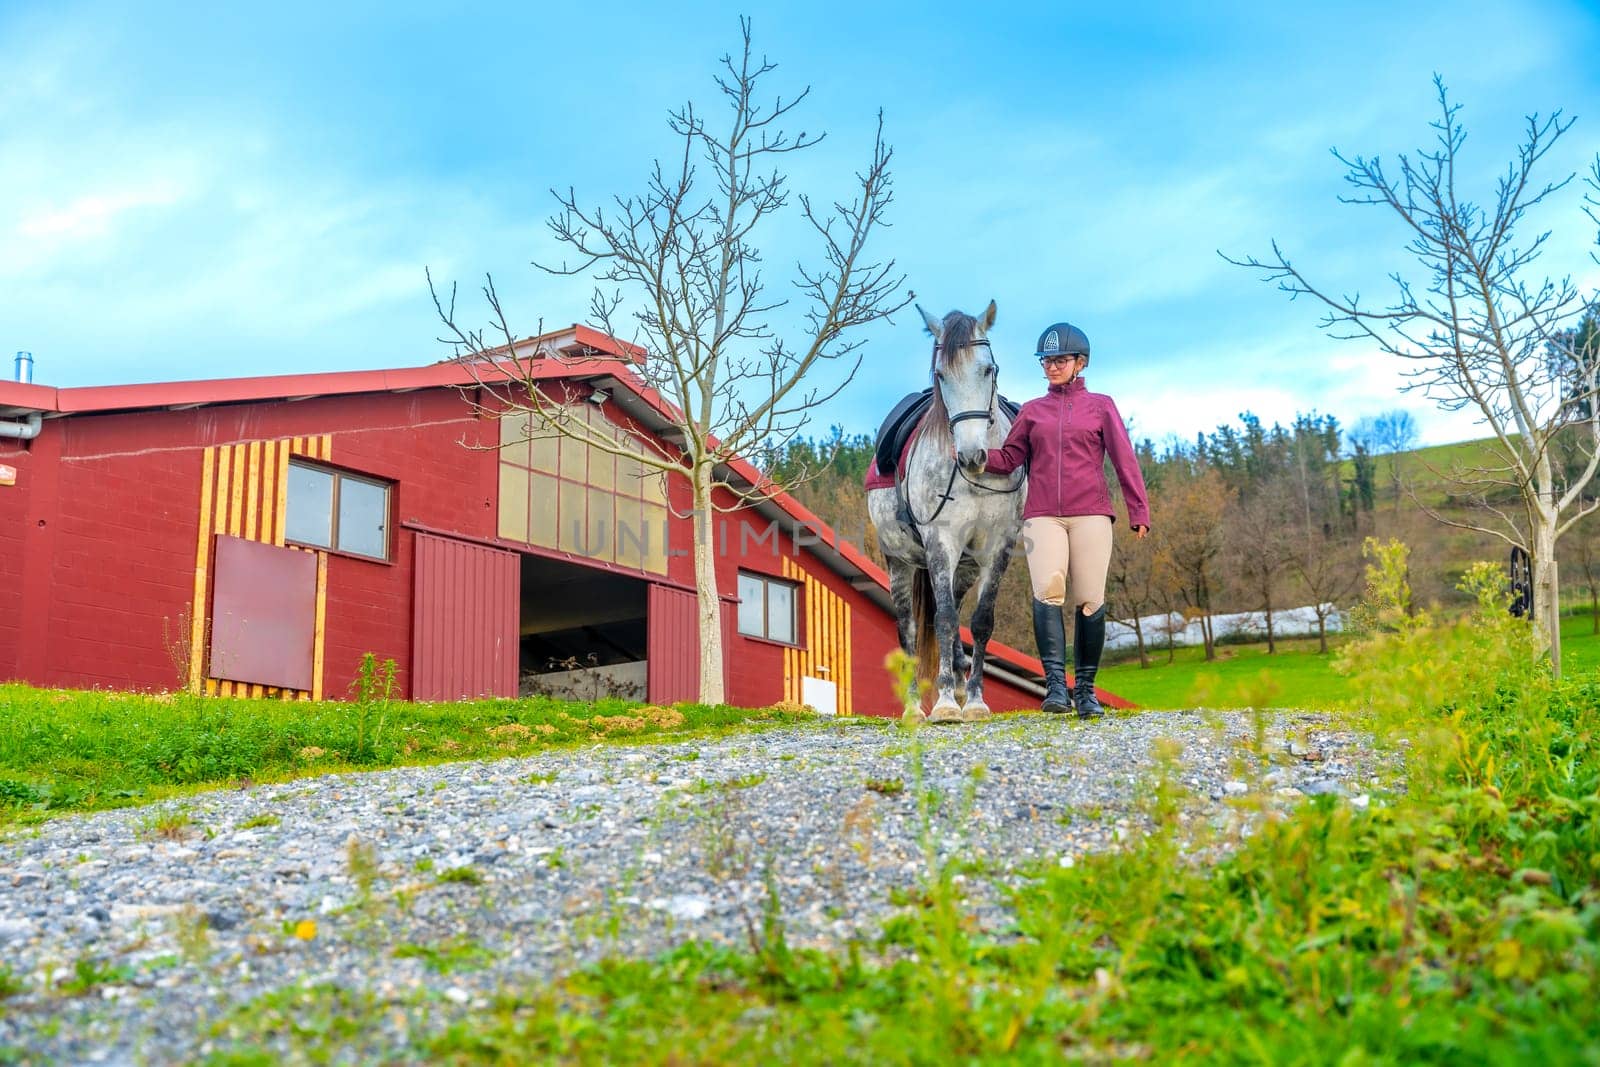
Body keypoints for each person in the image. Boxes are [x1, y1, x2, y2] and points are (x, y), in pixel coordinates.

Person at [983, 321, 1149, 719]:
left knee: (1091, 598)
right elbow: (1009, 459)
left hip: (1091, 512)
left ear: (1080, 362)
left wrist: (1138, 509)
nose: (1052, 366)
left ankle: (1087, 692)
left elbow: (1124, 459)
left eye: (1060, 360)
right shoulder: (1031, 411)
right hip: (1043, 515)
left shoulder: (1102, 406)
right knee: (1048, 591)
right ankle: (1056, 688)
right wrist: (976, 459)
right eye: (1047, 360)